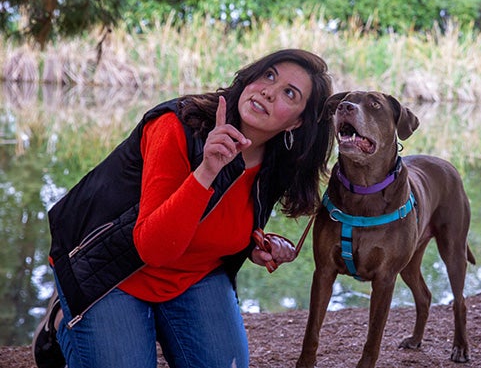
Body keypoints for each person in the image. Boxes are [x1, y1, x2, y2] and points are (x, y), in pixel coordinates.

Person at [32, 49, 334, 368]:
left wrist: (253, 245)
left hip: (193, 275)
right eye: (269, 75)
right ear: (251, 78)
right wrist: (207, 170)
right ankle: (59, 319)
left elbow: (221, 213)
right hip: (109, 271)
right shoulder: (176, 125)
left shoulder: (277, 160)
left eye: (289, 93)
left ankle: (156, 321)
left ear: (297, 121)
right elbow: (154, 248)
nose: (269, 92)